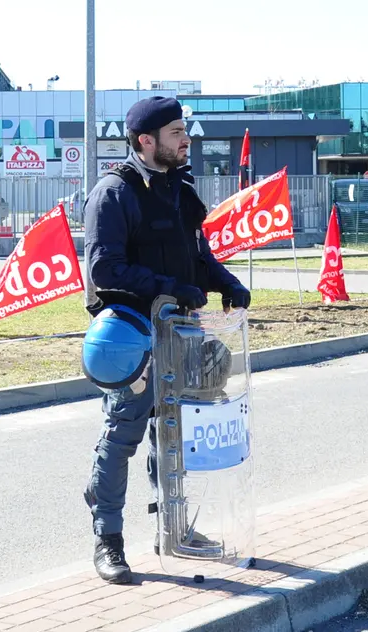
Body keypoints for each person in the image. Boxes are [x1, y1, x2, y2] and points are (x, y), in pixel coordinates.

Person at [82, 96, 251, 584]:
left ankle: (176, 528)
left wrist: (225, 282)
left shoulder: (180, 189)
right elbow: (103, 269)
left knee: (176, 436)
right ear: (146, 141)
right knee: (122, 438)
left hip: (183, 332)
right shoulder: (114, 193)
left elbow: (197, 255)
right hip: (133, 339)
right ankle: (108, 538)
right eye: (177, 132)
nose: (186, 139)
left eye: (184, 130)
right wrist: (171, 287)